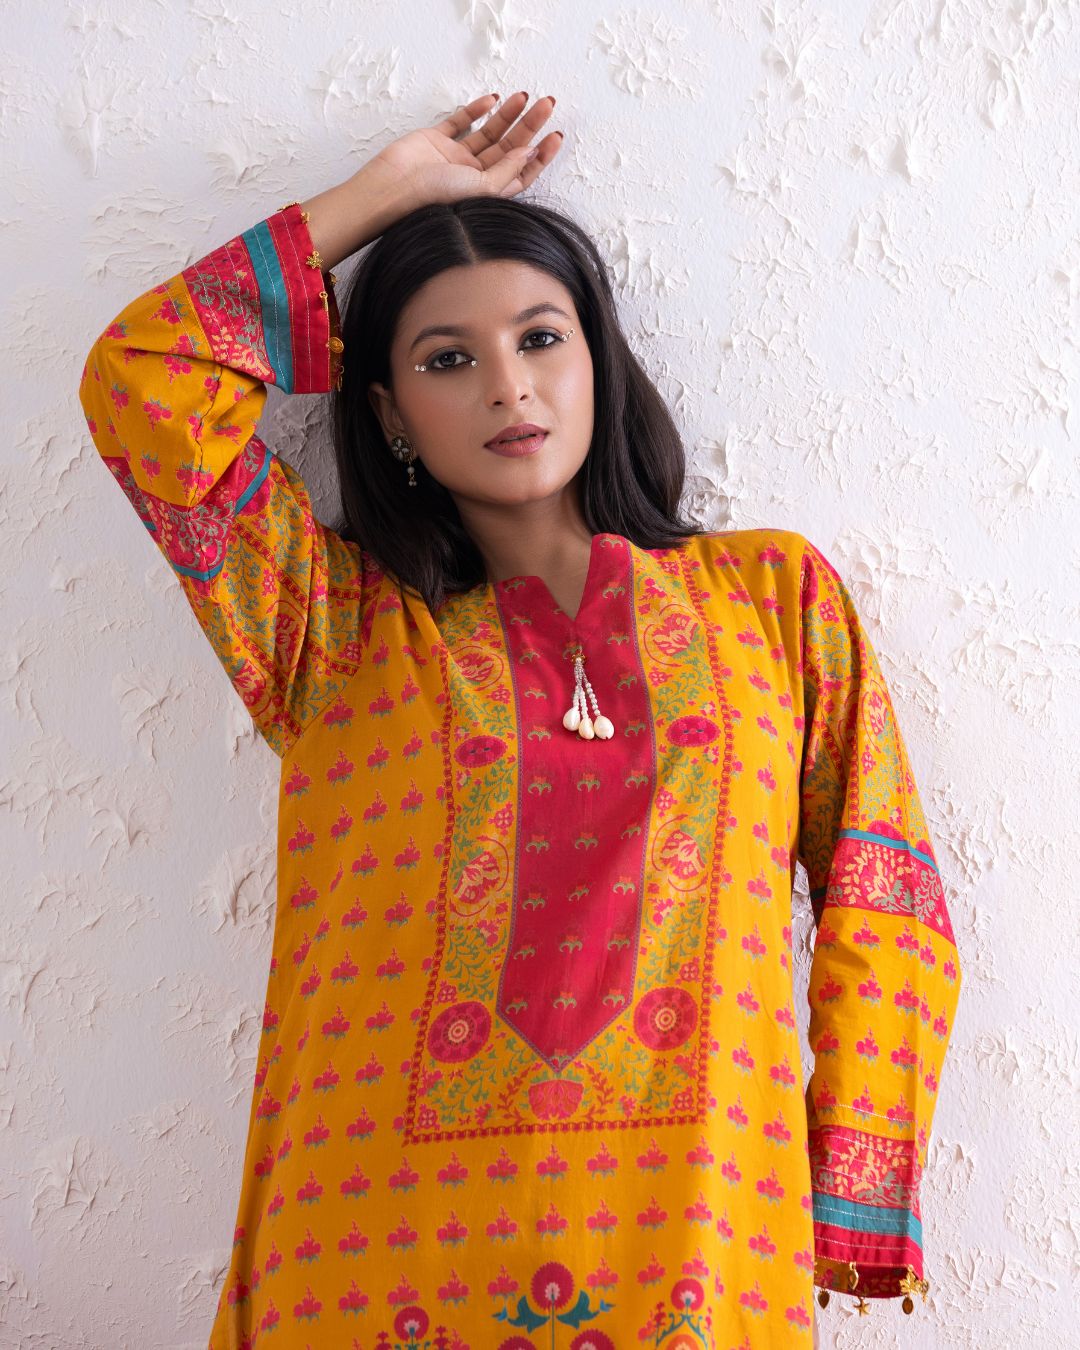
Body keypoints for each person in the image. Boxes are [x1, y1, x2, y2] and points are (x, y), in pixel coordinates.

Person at [77, 91, 963, 1349]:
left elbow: (887, 892)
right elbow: (142, 385)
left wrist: (855, 1175)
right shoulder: (325, 623)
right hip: (365, 1262)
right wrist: (386, 194)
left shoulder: (770, 600)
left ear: (596, 358)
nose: (508, 386)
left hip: (691, 1251)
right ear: (389, 411)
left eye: (541, 338)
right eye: (447, 360)